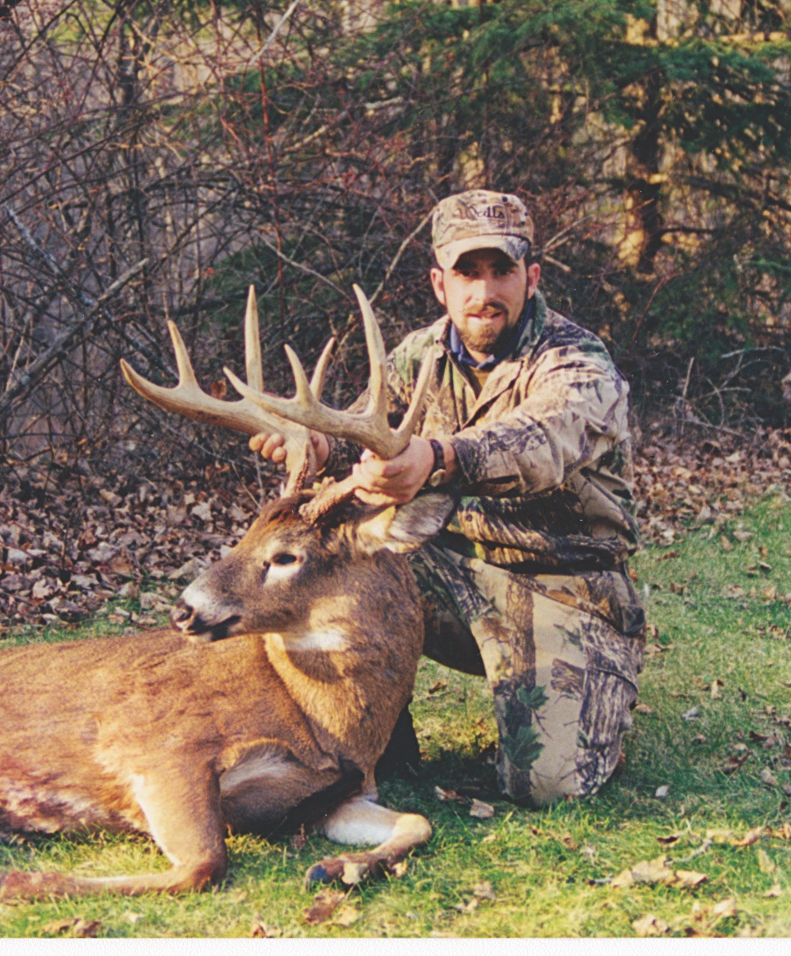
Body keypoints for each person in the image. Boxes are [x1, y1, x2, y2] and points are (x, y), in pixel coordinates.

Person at [251, 190, 645, 805]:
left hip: (565, 586)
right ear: (440, 283)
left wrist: (438, 458)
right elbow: (364, 427)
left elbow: (546, 439)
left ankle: (600, 691)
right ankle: (369, 739)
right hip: (448, 570)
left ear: (531, 277)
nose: (483, 292)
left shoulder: (577, 362)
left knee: (545, 786)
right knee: (330, 563)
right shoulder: (419, 355)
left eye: (501, 271)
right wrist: (318, 445)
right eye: (467, 273)